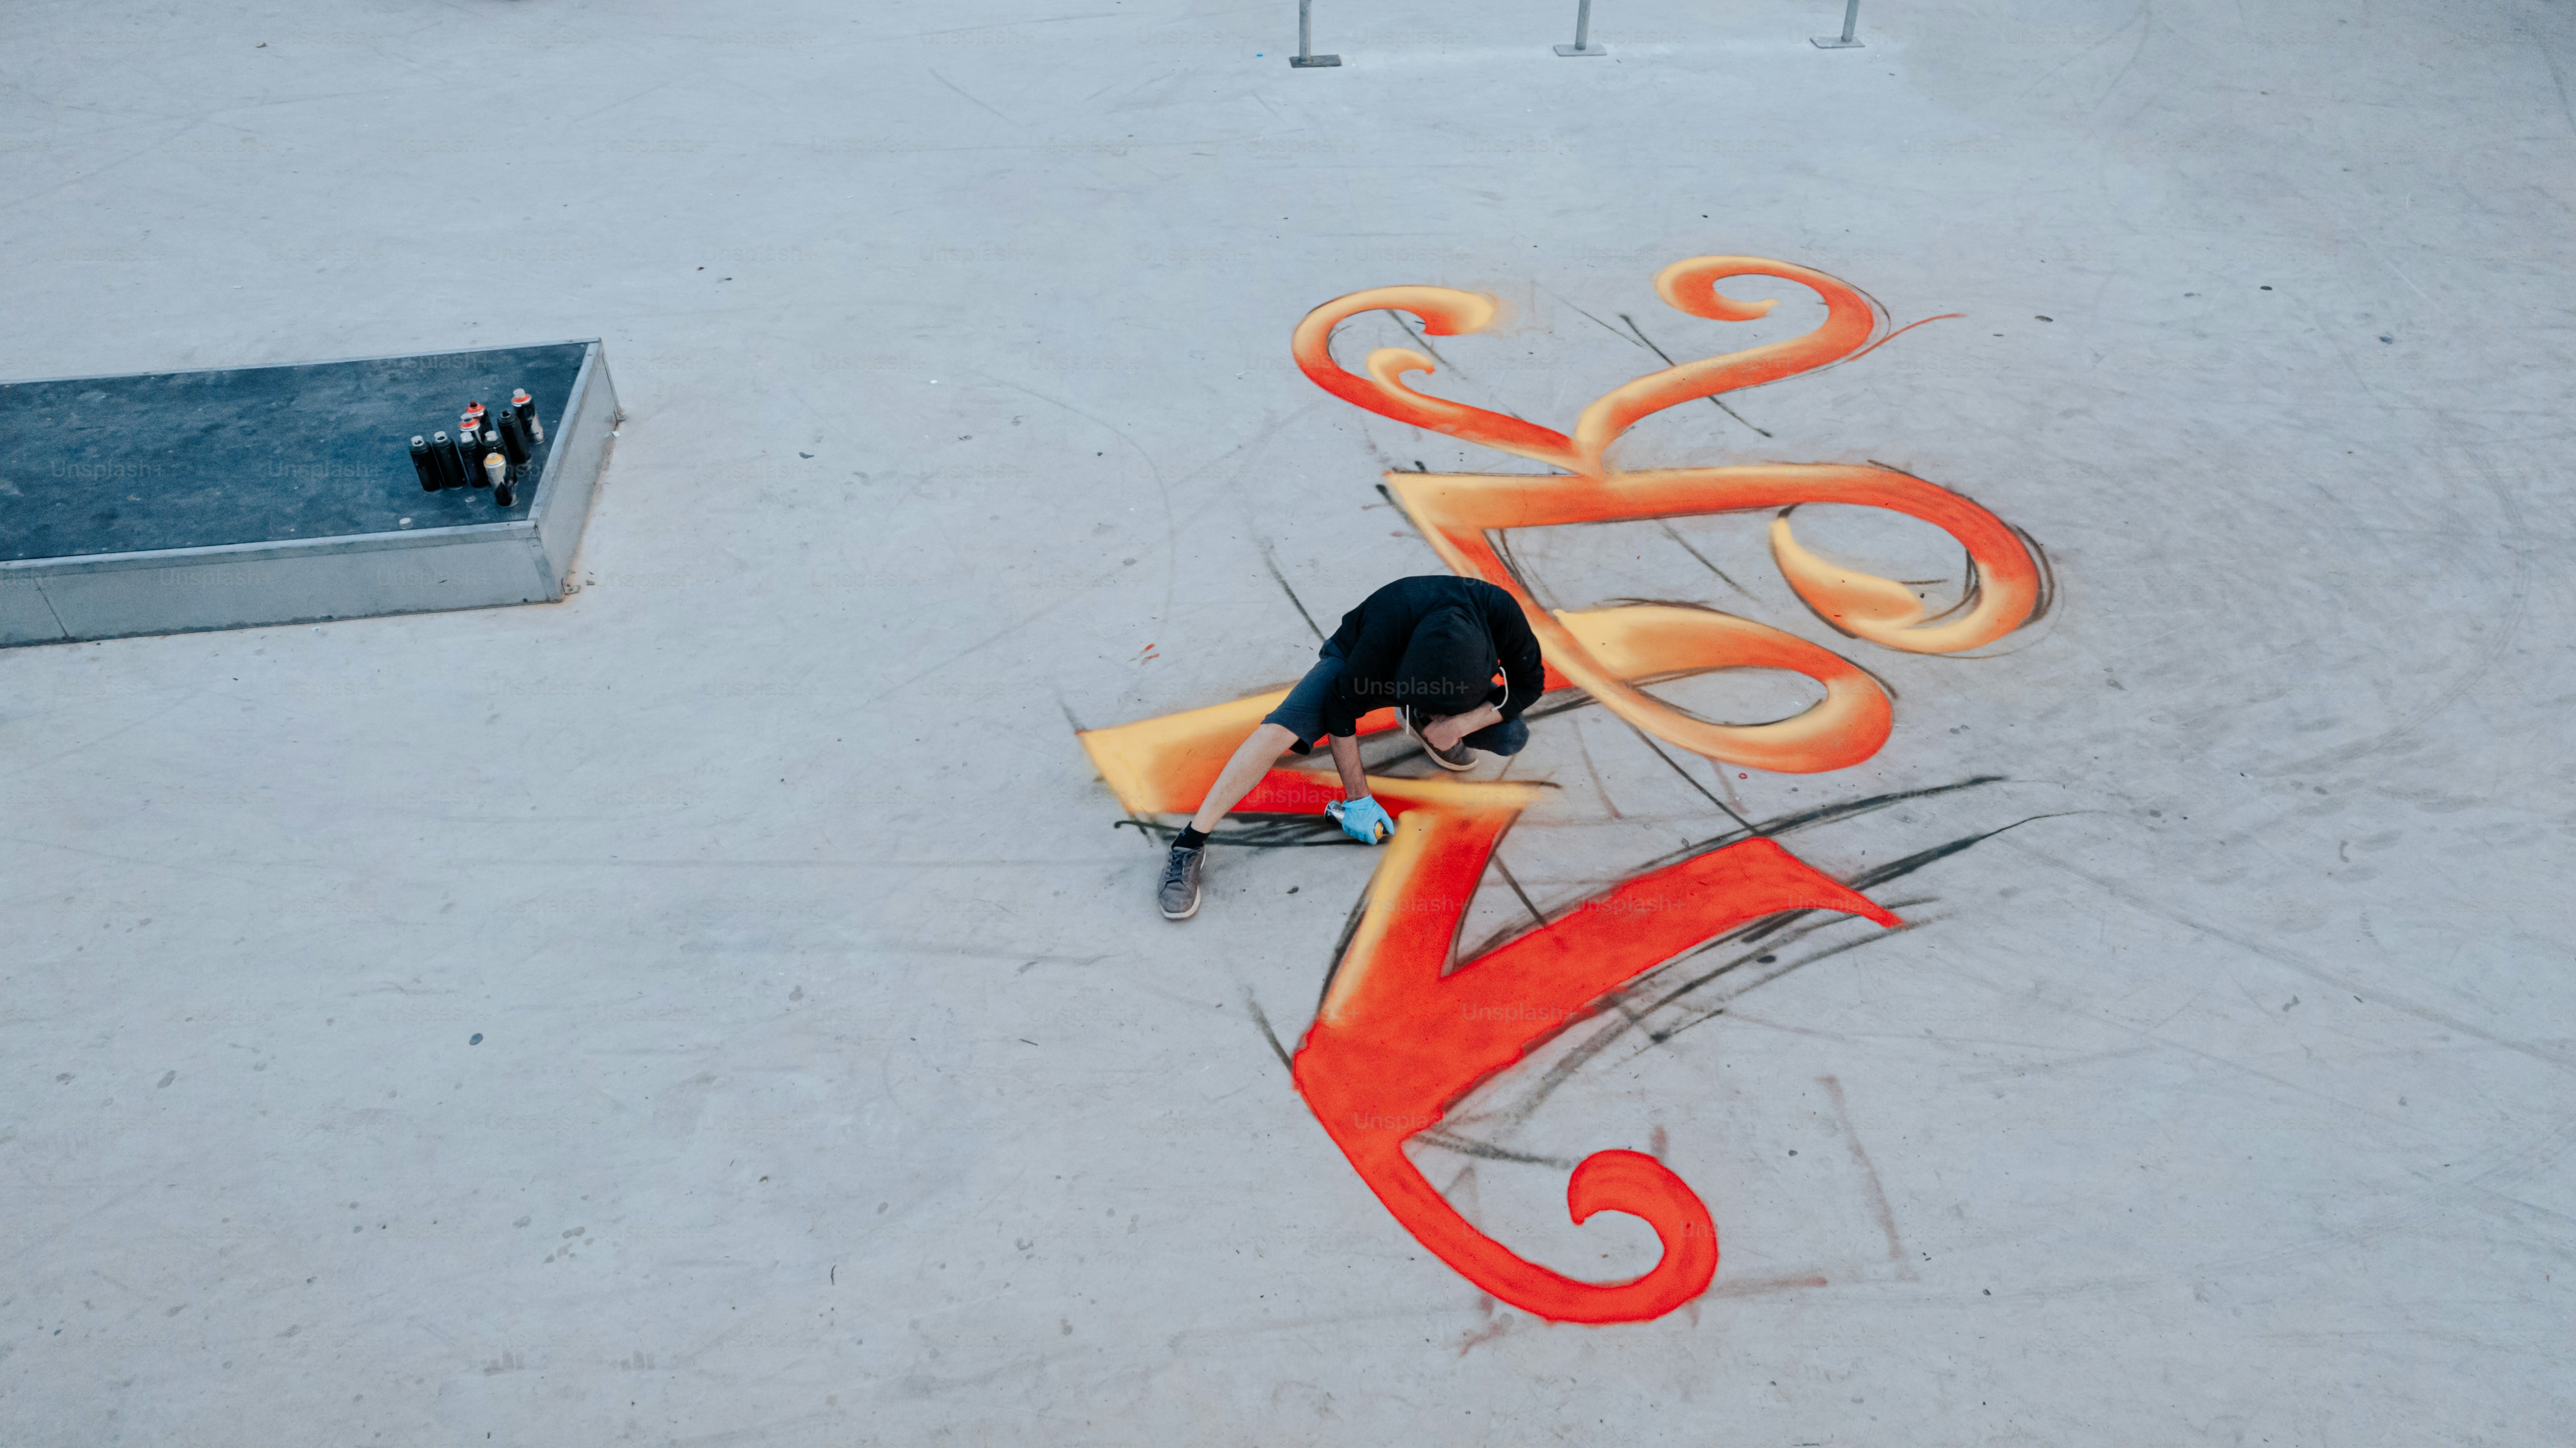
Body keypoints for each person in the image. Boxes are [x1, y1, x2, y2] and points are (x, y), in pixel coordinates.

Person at [1158, 575, 1546, 920]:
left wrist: (1463, 722)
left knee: (1510, 736)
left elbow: (1530, 684)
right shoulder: (1384, 633)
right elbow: (1341, 708)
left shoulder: (1502, 615)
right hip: (1364, 660)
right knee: (1276, 732)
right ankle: (1189, 842)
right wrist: (1358, 799)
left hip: (1429, 678)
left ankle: (1423, 719)